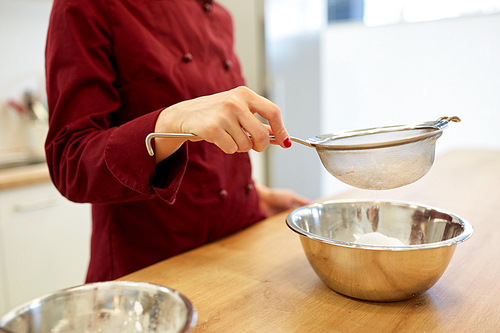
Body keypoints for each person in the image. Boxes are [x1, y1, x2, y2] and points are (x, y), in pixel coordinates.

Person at [45, 0, 310, 282]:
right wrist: (173, 120)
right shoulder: (89, 5)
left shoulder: (218, 15)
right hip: (151, 275)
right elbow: (70, 161)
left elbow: (210, 149)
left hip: (239, 256)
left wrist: (255, 196)